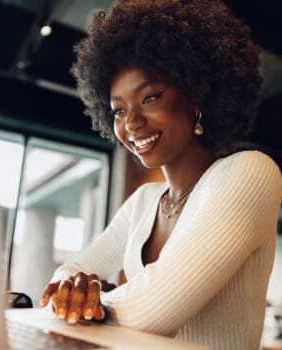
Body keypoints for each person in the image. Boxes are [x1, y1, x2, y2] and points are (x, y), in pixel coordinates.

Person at [40, 1, 282, 349]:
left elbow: (151, 314)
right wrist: (76, 289)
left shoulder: (250, 172)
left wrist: (93, 301)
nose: (132, 123)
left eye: (150, 97)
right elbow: (64, 277)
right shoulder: (144, 201)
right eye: (119, 110)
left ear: (196, 96)